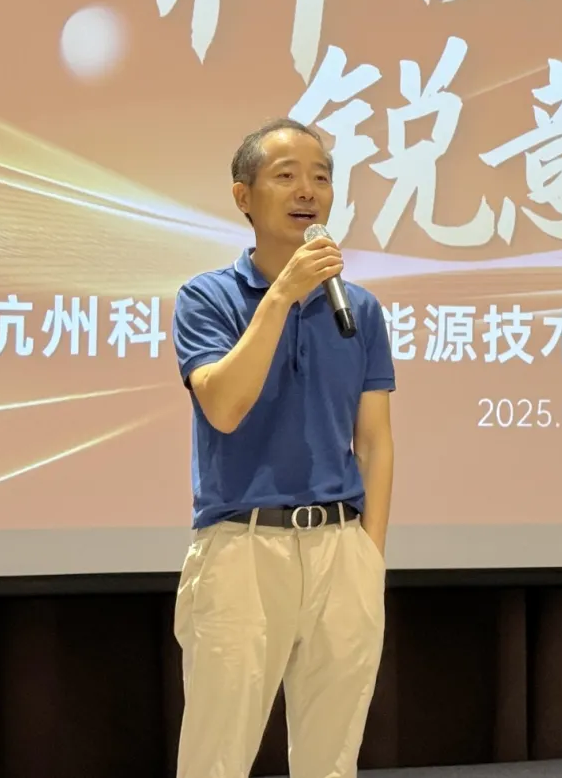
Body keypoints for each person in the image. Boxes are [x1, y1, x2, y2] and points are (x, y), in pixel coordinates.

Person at [170, 117, 396, 778]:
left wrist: (368, 555)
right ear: (243, 196)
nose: (308, 191)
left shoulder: (360, 309)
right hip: (242, 547)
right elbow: (224, 406)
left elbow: (374, 440)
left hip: (341, 547)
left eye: (321, 177)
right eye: (286, 175)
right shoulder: (206, 298)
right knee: (216, 758)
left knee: (332, 760)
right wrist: (283, 295)